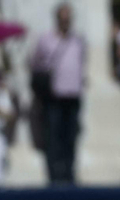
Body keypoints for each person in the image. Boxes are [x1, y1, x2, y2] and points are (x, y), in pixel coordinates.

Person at [31, 2, 87, 185]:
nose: (66, 22)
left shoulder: (78, 40)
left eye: (68, 19)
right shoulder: (46, 39)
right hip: (53, 97)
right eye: (63, 18)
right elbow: (35, 64)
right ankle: (54, 178)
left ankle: (69, 177)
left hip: (73, 97)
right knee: (53, 140)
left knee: (71, 138)